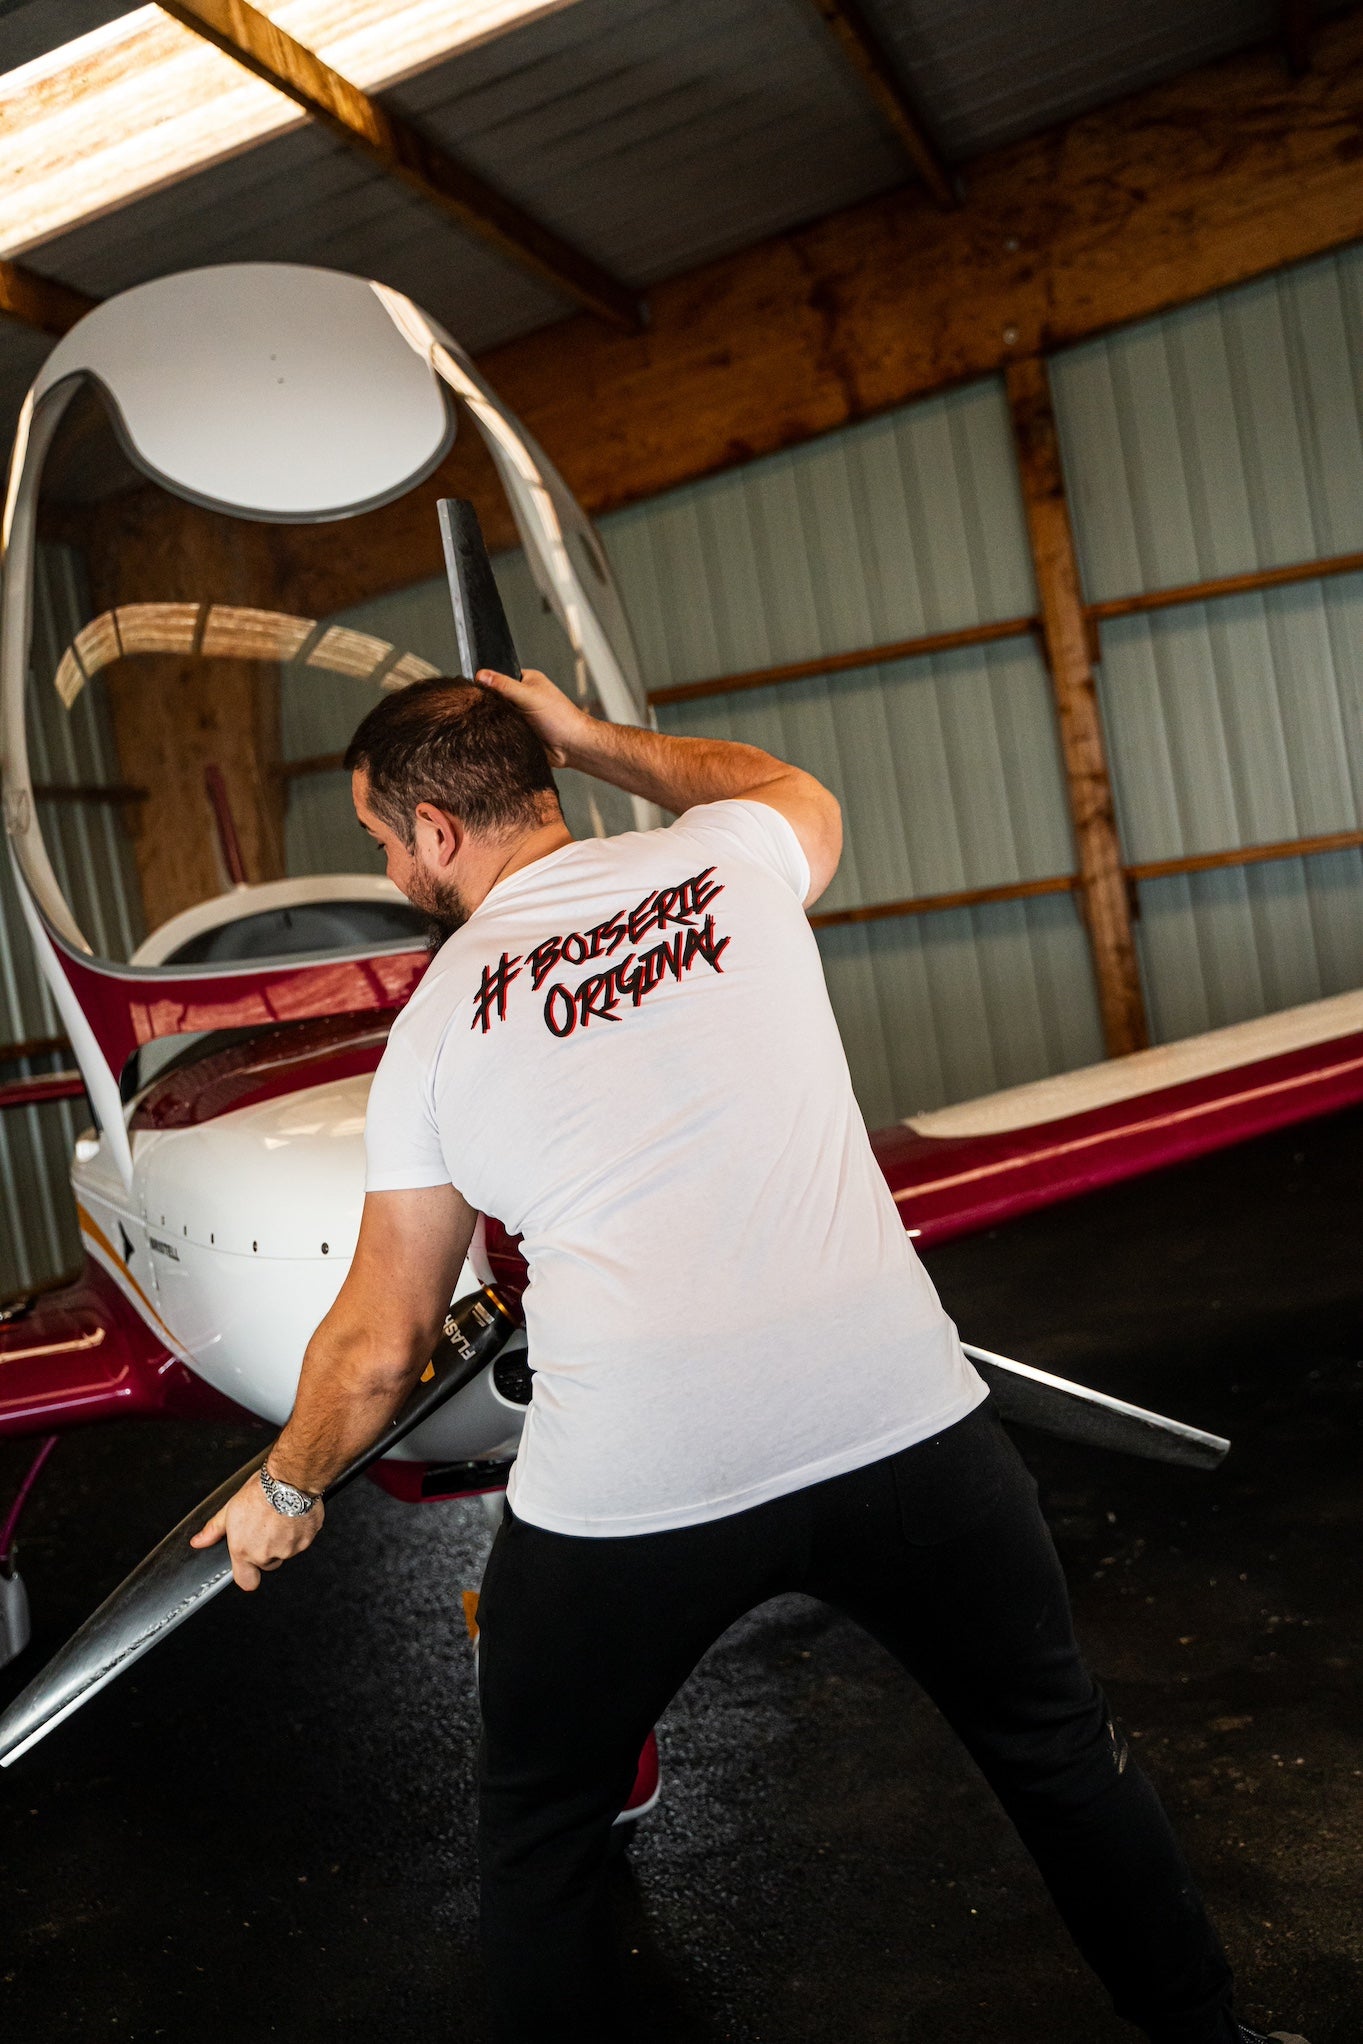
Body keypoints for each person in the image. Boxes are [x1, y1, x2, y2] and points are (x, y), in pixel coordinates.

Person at [194, 669, 1305, 2044]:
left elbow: (382, 1344)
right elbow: (792, 787)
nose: (384, 863)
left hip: (637, 1497)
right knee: (1060, 1752)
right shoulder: (729, 857)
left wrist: (287, 1490)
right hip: (904, 1430)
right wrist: (594, 737)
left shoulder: (429, 1033)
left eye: (377, 838)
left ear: (433, 829)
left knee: (541, 1833)